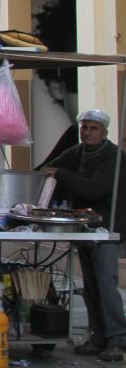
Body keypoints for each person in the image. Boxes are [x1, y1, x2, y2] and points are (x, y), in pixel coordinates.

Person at [42, 109, 126, 362]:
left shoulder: (114, 157)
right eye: (85, 127)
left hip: (106, 229)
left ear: (104, 132)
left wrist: (60, 174)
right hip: (85, 228)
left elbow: (92, 189)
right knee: (89, 286)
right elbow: (51, 165)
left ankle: (118, 339)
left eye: (93, 128)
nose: (87, 132)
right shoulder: (78, 152)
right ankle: (98, 336)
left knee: (105, 284)